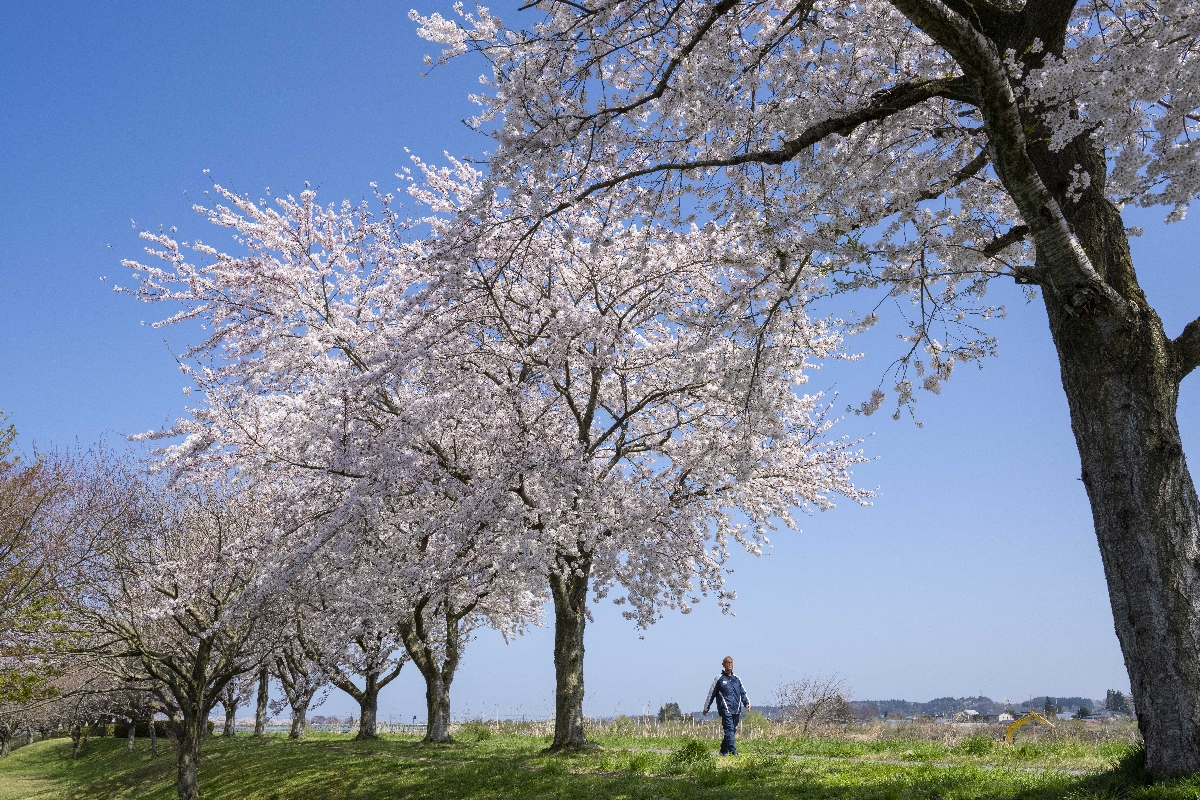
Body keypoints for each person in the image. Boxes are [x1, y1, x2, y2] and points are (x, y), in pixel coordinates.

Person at [702, 656, 751, 756]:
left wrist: (746, 703)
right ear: (723, 665)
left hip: (736, 710)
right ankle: (734, 752)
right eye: (727, 662)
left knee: (732, 731)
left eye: (731, 662)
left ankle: (723, 751)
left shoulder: (737, 679)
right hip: (725, 709)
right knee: (729, 729)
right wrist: (706, 708)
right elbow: (711, 694)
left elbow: (743, 693)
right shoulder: (719, 679)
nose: (729, 664)